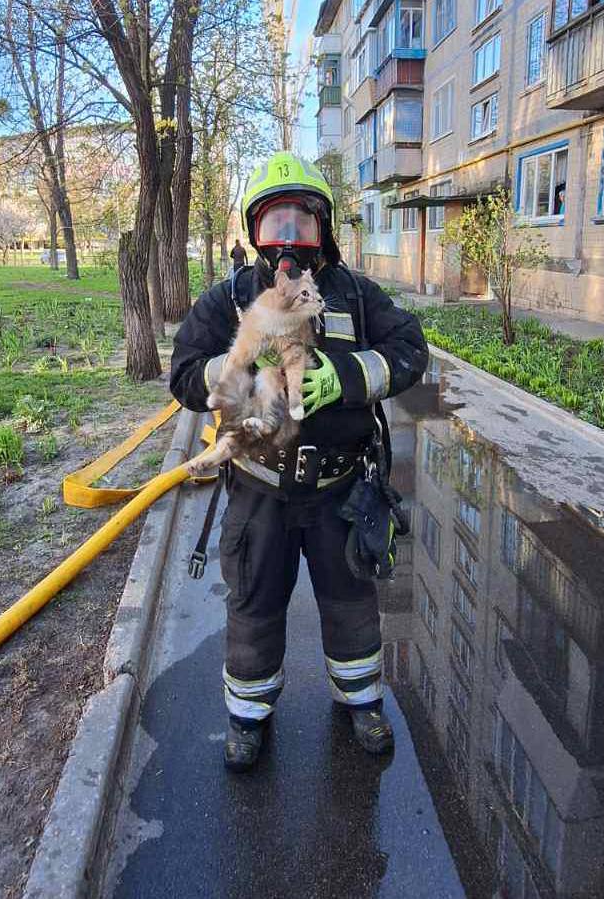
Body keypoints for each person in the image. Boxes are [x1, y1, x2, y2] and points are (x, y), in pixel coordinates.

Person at [170, 152, 428, 771]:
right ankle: (248, 717)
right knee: (254, 603)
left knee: (351, 602)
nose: (288, 241)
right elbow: (181, 373)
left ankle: (362, 700)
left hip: (340, 489)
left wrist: (343, 377)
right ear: (254, 232)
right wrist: (238, 367)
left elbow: (412, 350)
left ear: (324, 228)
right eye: (274, 224)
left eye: (301, 223)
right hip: (260, 491)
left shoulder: (356, 296)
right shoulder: (230, 299)